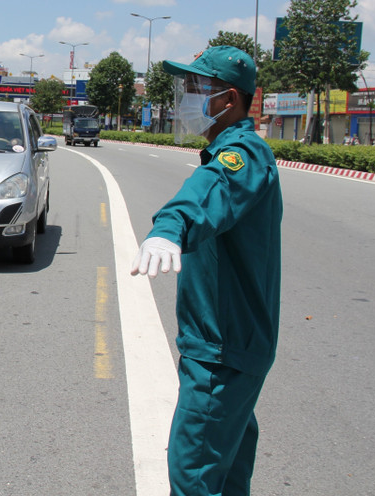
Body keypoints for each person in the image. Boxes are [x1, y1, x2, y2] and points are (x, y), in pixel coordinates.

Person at [130, 45, 283, 496]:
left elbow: (208, 192)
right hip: (233, 347)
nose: (186, 97)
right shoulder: (233, 151)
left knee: (194, 477)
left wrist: (169, 228)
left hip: (221, 351)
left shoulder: (242, 155)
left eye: (197, 88)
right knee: (228, 477)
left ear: (228, 99)